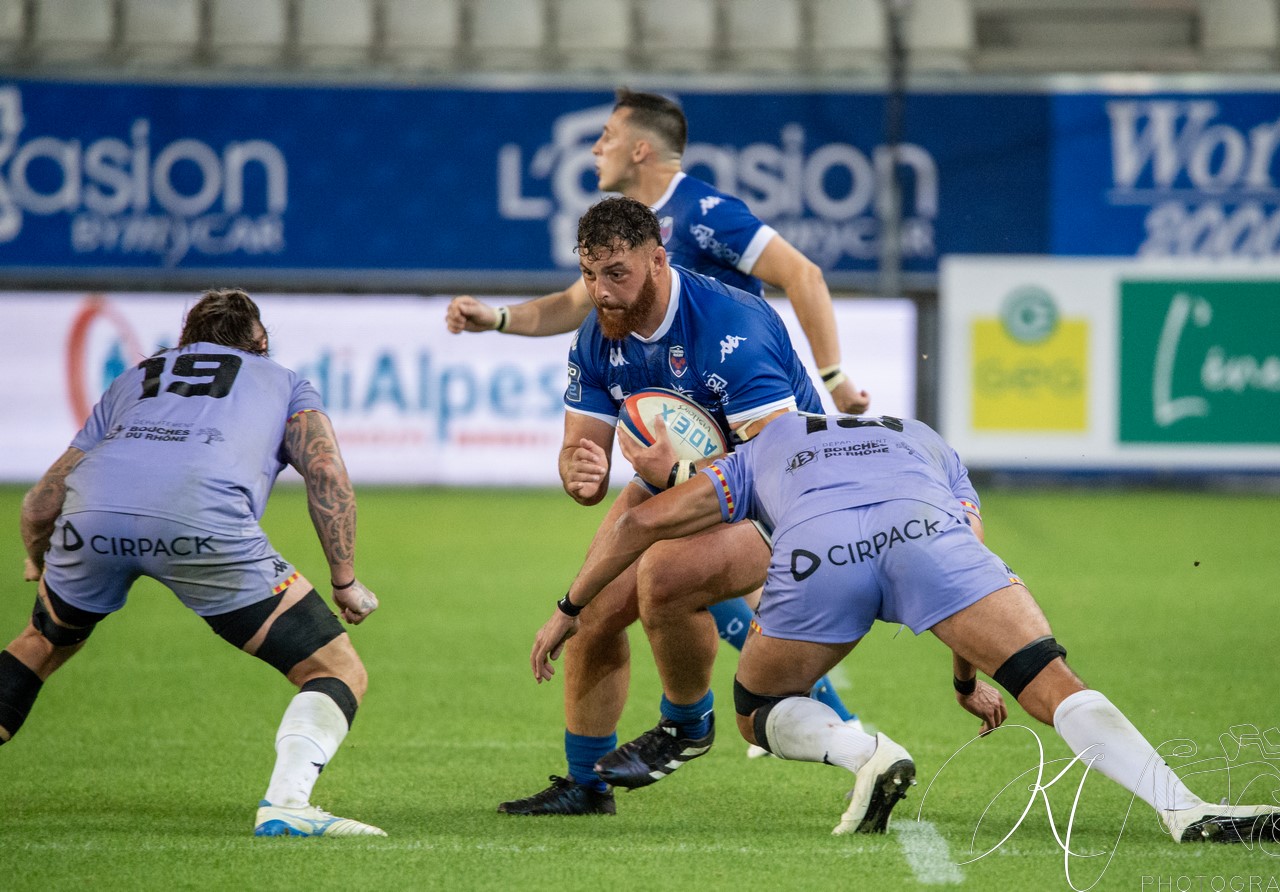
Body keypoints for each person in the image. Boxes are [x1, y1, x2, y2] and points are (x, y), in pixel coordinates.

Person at [531, 408, 1280, 845]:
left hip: (819, 553)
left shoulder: (758, 451)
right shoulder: (925, 441)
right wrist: (966, 676)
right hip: (926, 537)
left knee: (759, 712)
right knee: (1054, 681)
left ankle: (866, 750)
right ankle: (1182, 808)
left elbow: (643, 529)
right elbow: (970, 555)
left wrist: (571, 609)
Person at [450, 87, 868, 756]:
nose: (594, 147)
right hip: (685, 432)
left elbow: (802, 273)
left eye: (607, 135)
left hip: (746, 428)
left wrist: (834, 376)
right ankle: (600, 777)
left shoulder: (703, 214)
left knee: (674, 585)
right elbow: (573, 305)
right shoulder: (613, 251)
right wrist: (498, 320)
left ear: (640, 148)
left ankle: (796, 731)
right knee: (625, 598)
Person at [4, 289, 386, 838]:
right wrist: (344, 581)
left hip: (93, 521)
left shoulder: (136, 376)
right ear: (260, 341)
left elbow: (42, 501)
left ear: (186, 338)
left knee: (38, 644)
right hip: (200, 522)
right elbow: (325, 473)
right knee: (334, 668)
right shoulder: (282, 380)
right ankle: (287, 805)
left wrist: (40, 559)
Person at [495, 195, 829, 816]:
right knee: (592, 610)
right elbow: (584, 466)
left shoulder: (732, 328)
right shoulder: (597, 336)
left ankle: (687, 726)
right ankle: (585, 785)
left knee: (664, 576)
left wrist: (675, 471)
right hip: (683, 485)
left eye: (616, 273)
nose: (600, 292)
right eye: (589, 275)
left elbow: (779, 464)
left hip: (793, 494)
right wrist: (577, 468)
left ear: (656, 260)